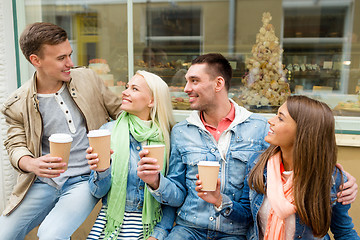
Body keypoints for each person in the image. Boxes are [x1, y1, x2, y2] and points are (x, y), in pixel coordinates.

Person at [137, 53, 358, 240]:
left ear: (218, 84)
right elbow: (176, 193)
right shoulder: (182, 132)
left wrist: (340, 178)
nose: (186, 88)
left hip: (235, 231)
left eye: (194, 81)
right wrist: (156, 183)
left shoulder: (260, 129)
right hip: (190, 227)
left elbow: (306, 156)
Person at [0, 22, 122, 239]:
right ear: (35, 60)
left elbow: (121, 113)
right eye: (61, 58)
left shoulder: (89, 79)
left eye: (69, 55)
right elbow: (14, 144)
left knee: (50, 235)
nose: (70, 63)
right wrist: (31, 163)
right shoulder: (17, 103)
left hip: (85, 180)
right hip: (43, 182)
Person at [197, 95, 359, 239]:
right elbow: (247, 216)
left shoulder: (332, 179)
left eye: (280, 118)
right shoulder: (258, 164)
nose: (270, 121)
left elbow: (343, 232)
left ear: (303, 131)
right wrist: (219, 200)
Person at [86, 70, 176, 240]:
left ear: (152, 100)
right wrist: (102, 170)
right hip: (110, 224)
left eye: (134, 89)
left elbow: (174, 200)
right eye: (127, 87)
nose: (125, 92)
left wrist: (158, 235)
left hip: (151, 226)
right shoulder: (107, 132)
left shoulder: (169, 138)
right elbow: (97, 192)